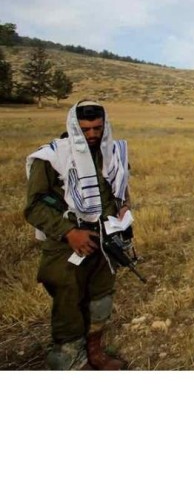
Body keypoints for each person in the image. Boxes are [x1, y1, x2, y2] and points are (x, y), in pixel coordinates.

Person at [24, 100, 132, 369]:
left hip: (105, 242)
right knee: (68, 302)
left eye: (98, 128)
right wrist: (69, 232)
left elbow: (119, 189)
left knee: (101, 298)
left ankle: (95, 352)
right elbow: (34, 206)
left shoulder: (112, 153)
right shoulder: (52, 157)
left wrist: (124, 207)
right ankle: (71, 360)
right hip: (67, 245)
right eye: (85, 129)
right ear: (74, 126)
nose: (93, 135)